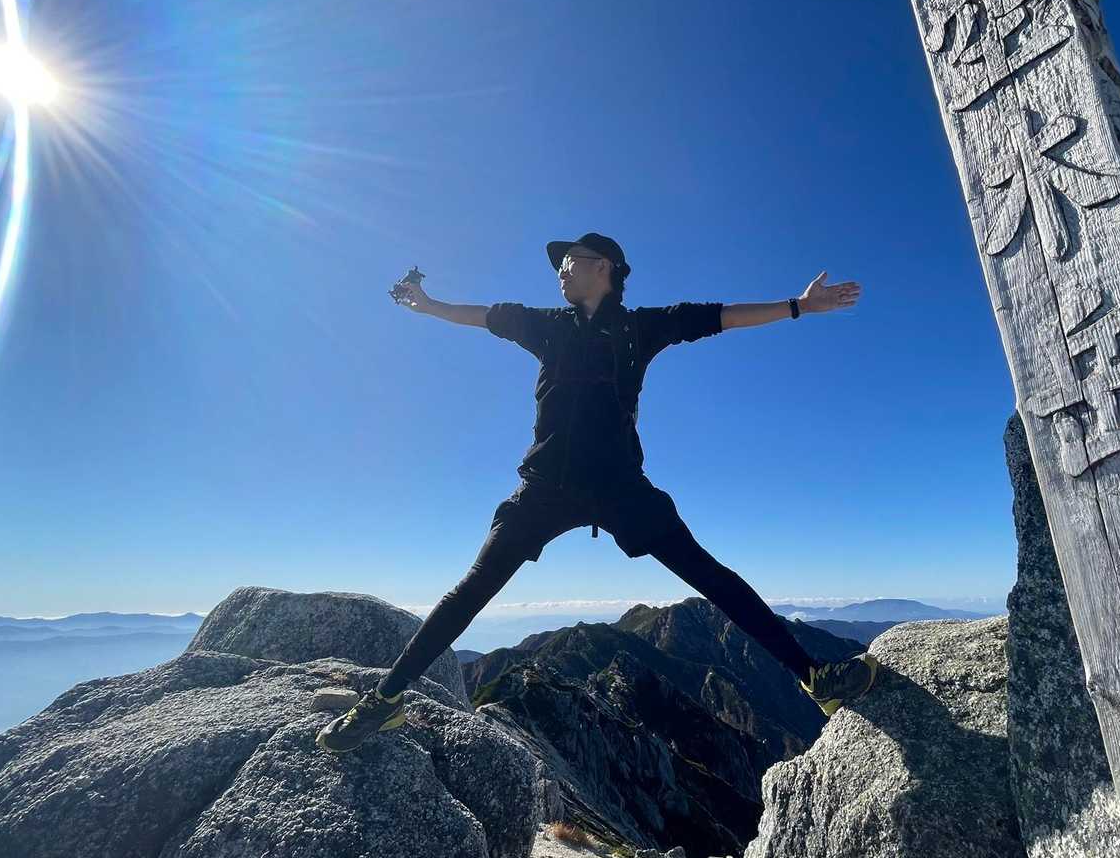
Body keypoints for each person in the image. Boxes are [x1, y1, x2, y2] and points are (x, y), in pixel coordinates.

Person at [317, 233, 879, 754]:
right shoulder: (545, 326)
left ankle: (815, 677)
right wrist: (428, 304)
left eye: (571, 261)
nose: (561, 270)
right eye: (559, 265)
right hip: (544, 487)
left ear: (604, 267)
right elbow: (483, 315)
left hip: (619, 486)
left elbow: (720, 317)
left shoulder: (641, 328)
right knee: (472, 590)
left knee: (709, 576)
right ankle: (385, 701)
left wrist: (800, 306)